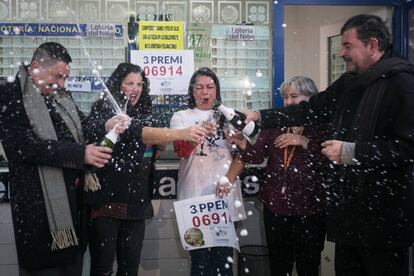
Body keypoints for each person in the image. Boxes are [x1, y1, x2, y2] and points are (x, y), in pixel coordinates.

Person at [246, 14, 414, 275]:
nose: (341, 53)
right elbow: (308, 110)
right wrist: (259, 116)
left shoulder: (402, 83)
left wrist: (352, 152)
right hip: (349, 217)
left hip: (384, 221)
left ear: (371, 45)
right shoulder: (348, 84)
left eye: (348, 46)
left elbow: (407, 148)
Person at [0, 42, 122, 276]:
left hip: (72, 207)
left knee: (72, 266)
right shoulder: (9, 94)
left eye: (66, 78)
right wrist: (80, 154)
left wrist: (108, 125)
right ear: (35, 67)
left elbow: (83, 128)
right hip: (38, 209)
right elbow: (23, 147)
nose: (62, 84)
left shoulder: (60, 95)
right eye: (59, 76)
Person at [87, 63, 208, 276]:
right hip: (106, 200)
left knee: (130, 267)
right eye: (130, 83)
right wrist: (181, 133)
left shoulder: (145, 110)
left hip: (137, 201)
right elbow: (138, 133)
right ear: (118, 85)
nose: (135, 89)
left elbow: (153, 146)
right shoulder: (104, 108)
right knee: (102, 268)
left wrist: (159, 143)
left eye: (140, 84)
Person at [229, 76, 327, 276]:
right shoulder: (276, 124)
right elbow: (257, 156)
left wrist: (304, 141)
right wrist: (243, 144)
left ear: (311, 98)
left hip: (310, 208)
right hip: (276, 205)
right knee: (279, 264)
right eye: (285, 97)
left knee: (308, 265)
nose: (289, 102)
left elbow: (330, 159)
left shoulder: (321, 125)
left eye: (294, 96)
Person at [170, 67, 245, 276]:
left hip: (225, 200)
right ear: (192, 92)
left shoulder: (229, 116)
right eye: (199, 87)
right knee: (199, 263)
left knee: (224, 263)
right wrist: (200, 131)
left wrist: (228, 180)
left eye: (210, 87)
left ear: (216, 91)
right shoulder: (180, 117)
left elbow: (243, 156)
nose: (205, 92)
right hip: (194, 202)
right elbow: (181, 152)